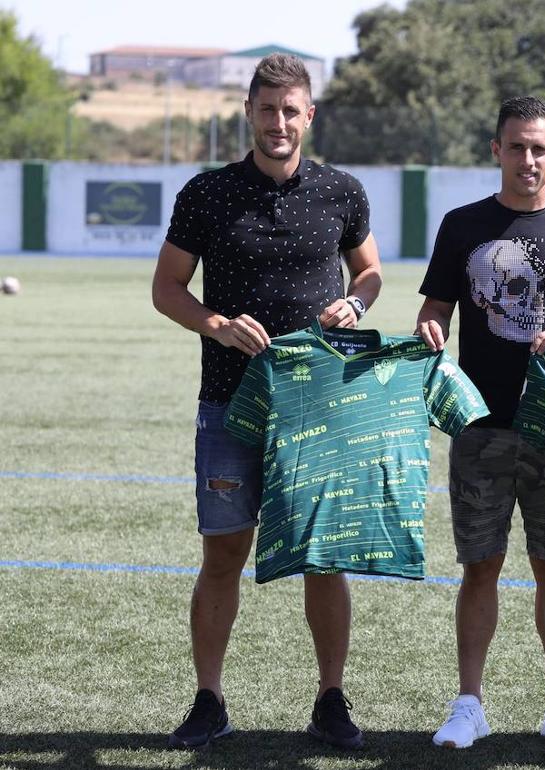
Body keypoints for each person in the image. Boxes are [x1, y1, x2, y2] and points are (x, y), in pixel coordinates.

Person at [152, 53, 381, 751]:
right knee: (224, 553)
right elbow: (167, 289)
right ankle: (209, 700)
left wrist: (354, 300)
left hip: (317, 408)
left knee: (323, 557)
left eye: (291, 110)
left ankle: (331, 699)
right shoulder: (206, 193)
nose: (278, 122)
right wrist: (216, 324)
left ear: (309, 116)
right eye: (267, 109)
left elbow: (370, 272)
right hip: (229, 405)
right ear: (248, 113)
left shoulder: (342, 192)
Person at [416, 95, 545, 751]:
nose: (528, 159)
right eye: (516, 147)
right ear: (496, 151)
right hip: (478, 426)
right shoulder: (461, 224)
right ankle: (469, 704)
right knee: (480, 567)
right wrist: (429, 331)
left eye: (540, 148)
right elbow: (435, 312)